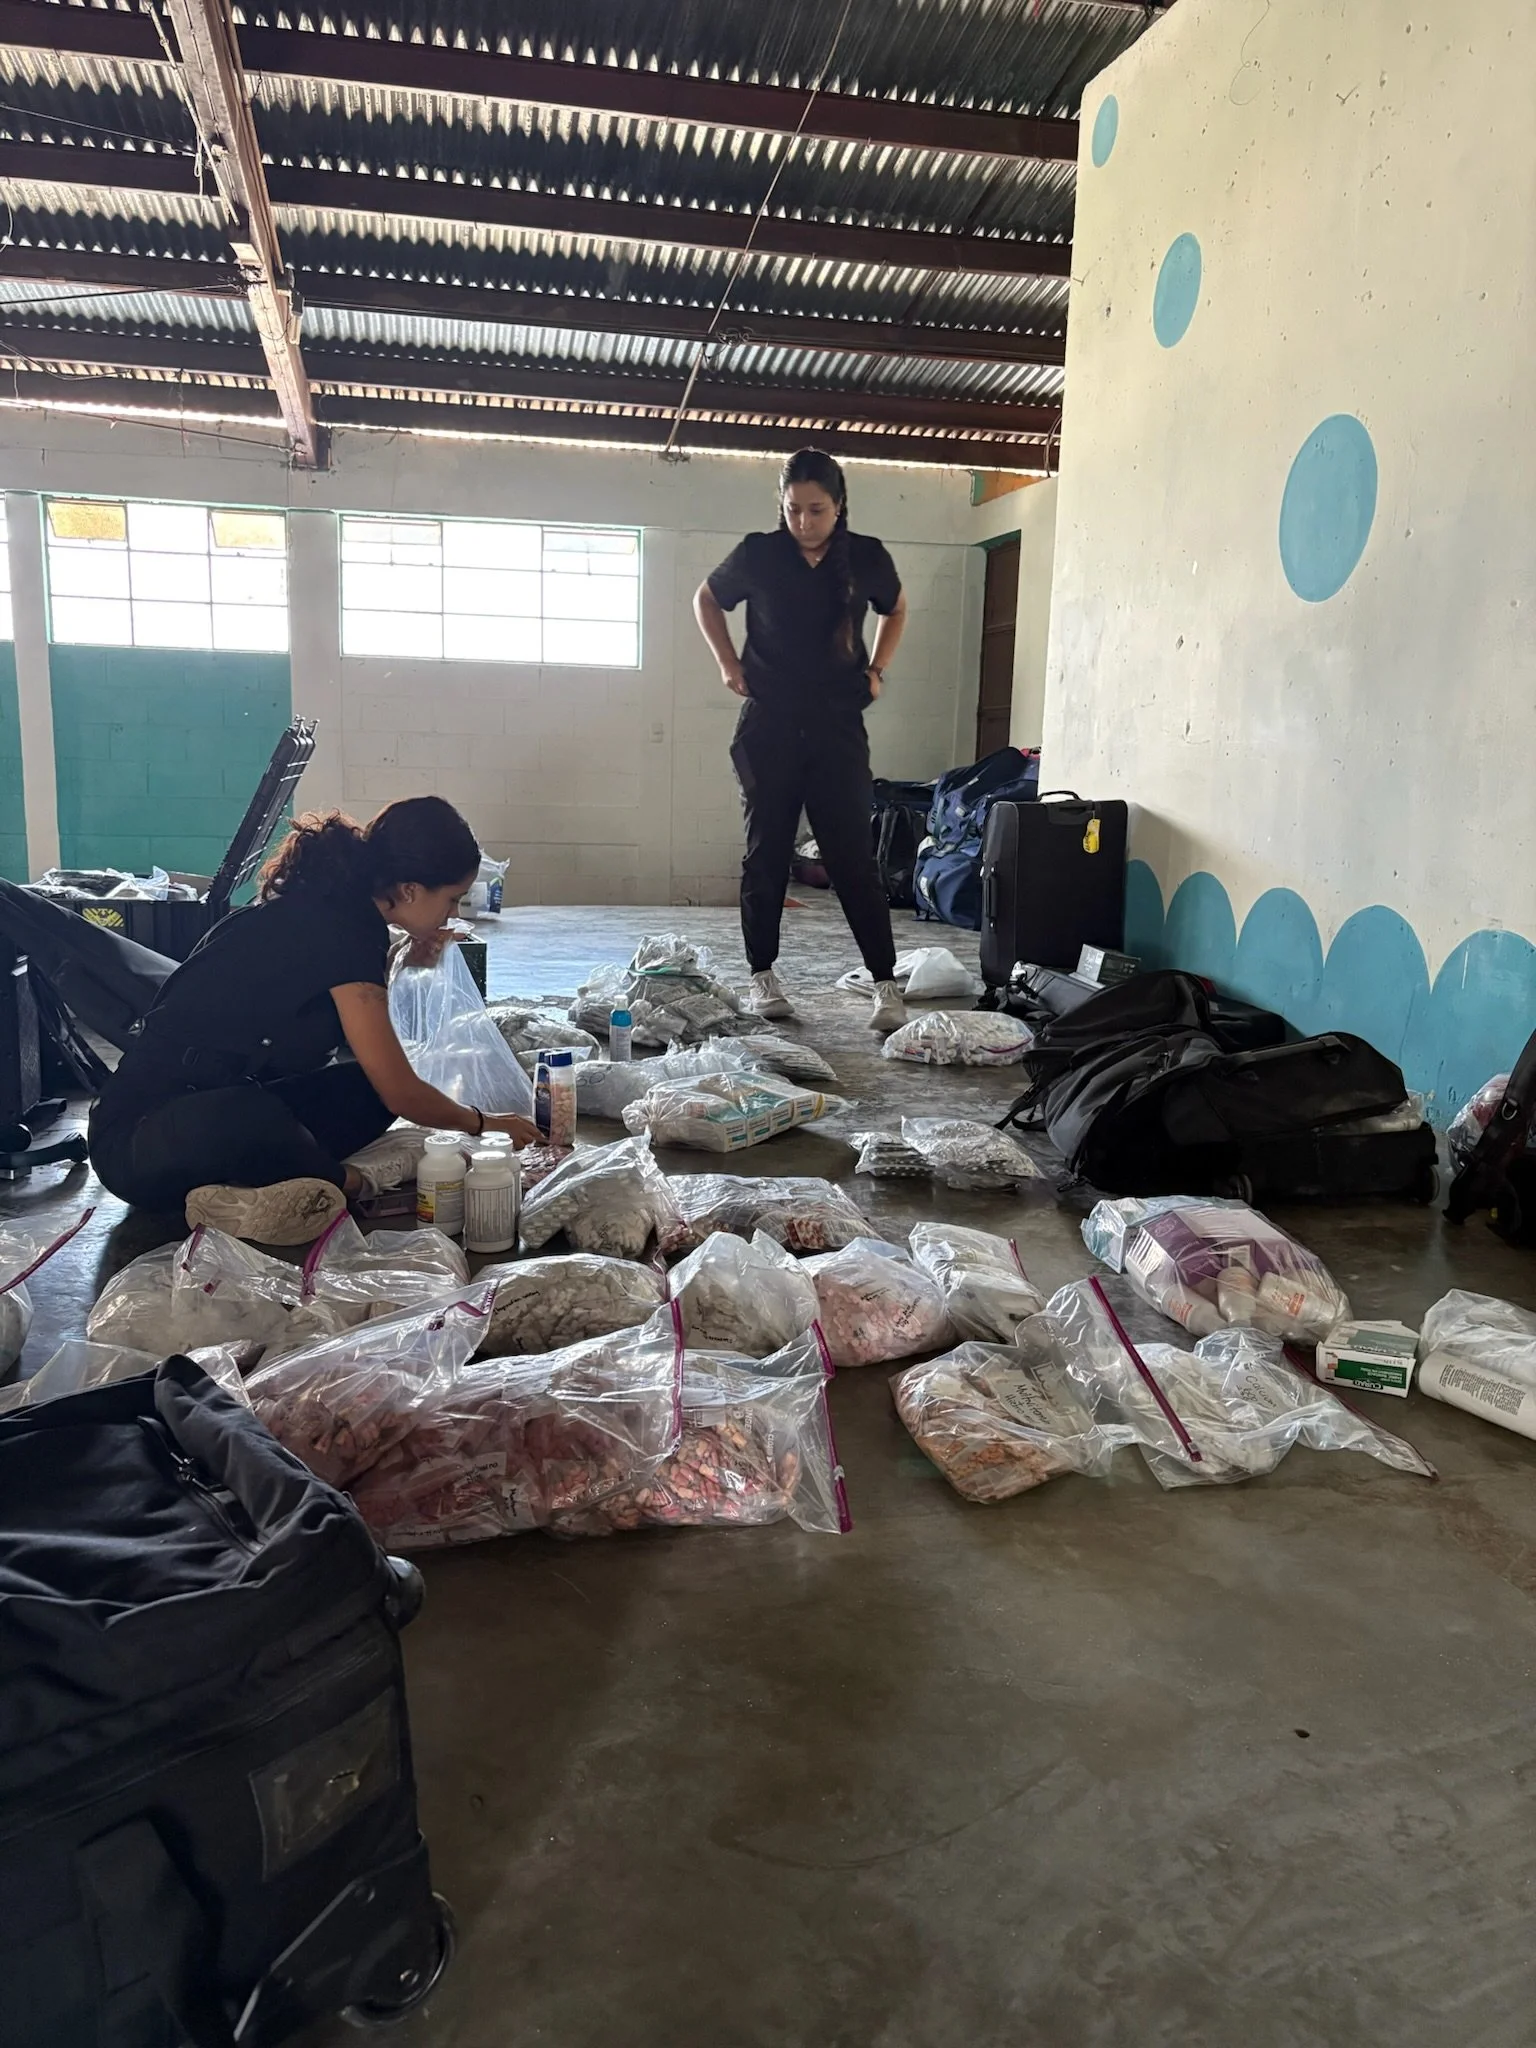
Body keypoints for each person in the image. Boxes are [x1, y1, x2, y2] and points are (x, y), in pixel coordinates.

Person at [89, 796, 536, 1245]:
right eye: (452, 899)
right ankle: (346, 1184)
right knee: (256, 1117)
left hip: (214, 1104)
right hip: (137, 1144)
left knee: (364, 1089)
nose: (453, 914)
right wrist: (482, 1123)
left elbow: (367, 1041)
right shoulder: (340, 929)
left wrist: (405, 957)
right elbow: (401, 1090)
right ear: (410, 889)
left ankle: (267, 1183)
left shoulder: (339, 911)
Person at [694, 447, 911, 1033]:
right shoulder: (760, 554)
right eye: (794, 510)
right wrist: (725, 662)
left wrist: (878, 669)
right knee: (766, 854)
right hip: (769, 725)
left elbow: (896, 608)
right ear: (782, 507)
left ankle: (885, 984)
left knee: (852, 860)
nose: (804, 523)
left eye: (817, 510)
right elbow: (707, 599)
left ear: (839, 507)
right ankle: (762, 974)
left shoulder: (865, 557)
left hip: (838, 726)